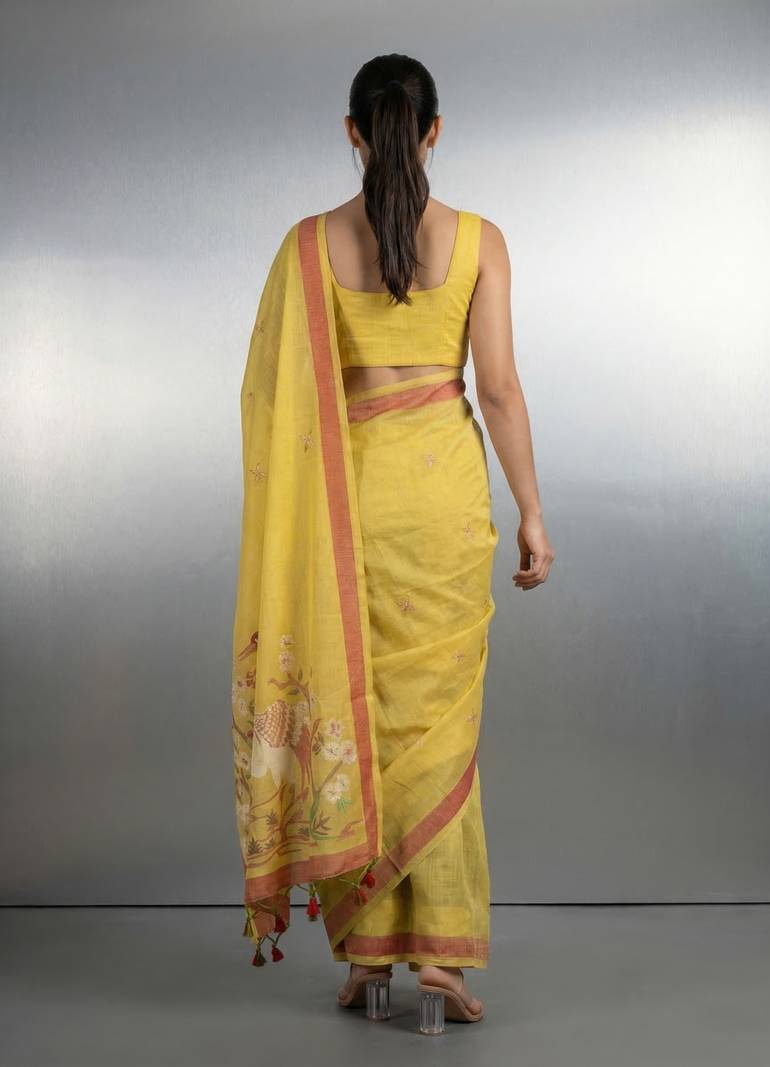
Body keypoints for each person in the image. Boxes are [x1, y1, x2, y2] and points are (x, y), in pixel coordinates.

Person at [230, 52, 554, 1028]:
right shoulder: (481, 240)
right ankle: (440, 959)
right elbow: (499, 388)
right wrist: (531, 509)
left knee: (355, 718)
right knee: (439, 729)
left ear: (353, 131)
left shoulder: (308, 245)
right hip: (442, 502)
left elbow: (273, 398)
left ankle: (365, 959)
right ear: (433, 130)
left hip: (348, 510)